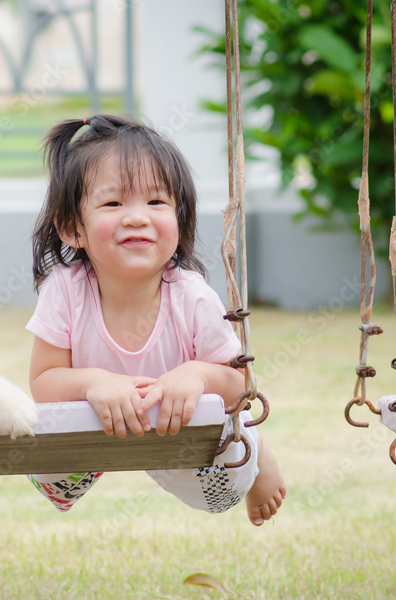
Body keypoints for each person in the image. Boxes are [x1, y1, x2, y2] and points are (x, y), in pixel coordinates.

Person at [25, 114, 286, 525]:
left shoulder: (192, 295)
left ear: (179, 222)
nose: (136, 217)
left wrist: (198, 374)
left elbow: (241, 383)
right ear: (73, 227)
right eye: (113, 203)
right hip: (96, 425)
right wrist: (95, 383)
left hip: (176, 431)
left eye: (156, 202)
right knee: (48, 479)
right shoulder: (65, 289)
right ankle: (105, 454)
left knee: (221, 493)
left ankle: (256, 452)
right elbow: (42, 384)